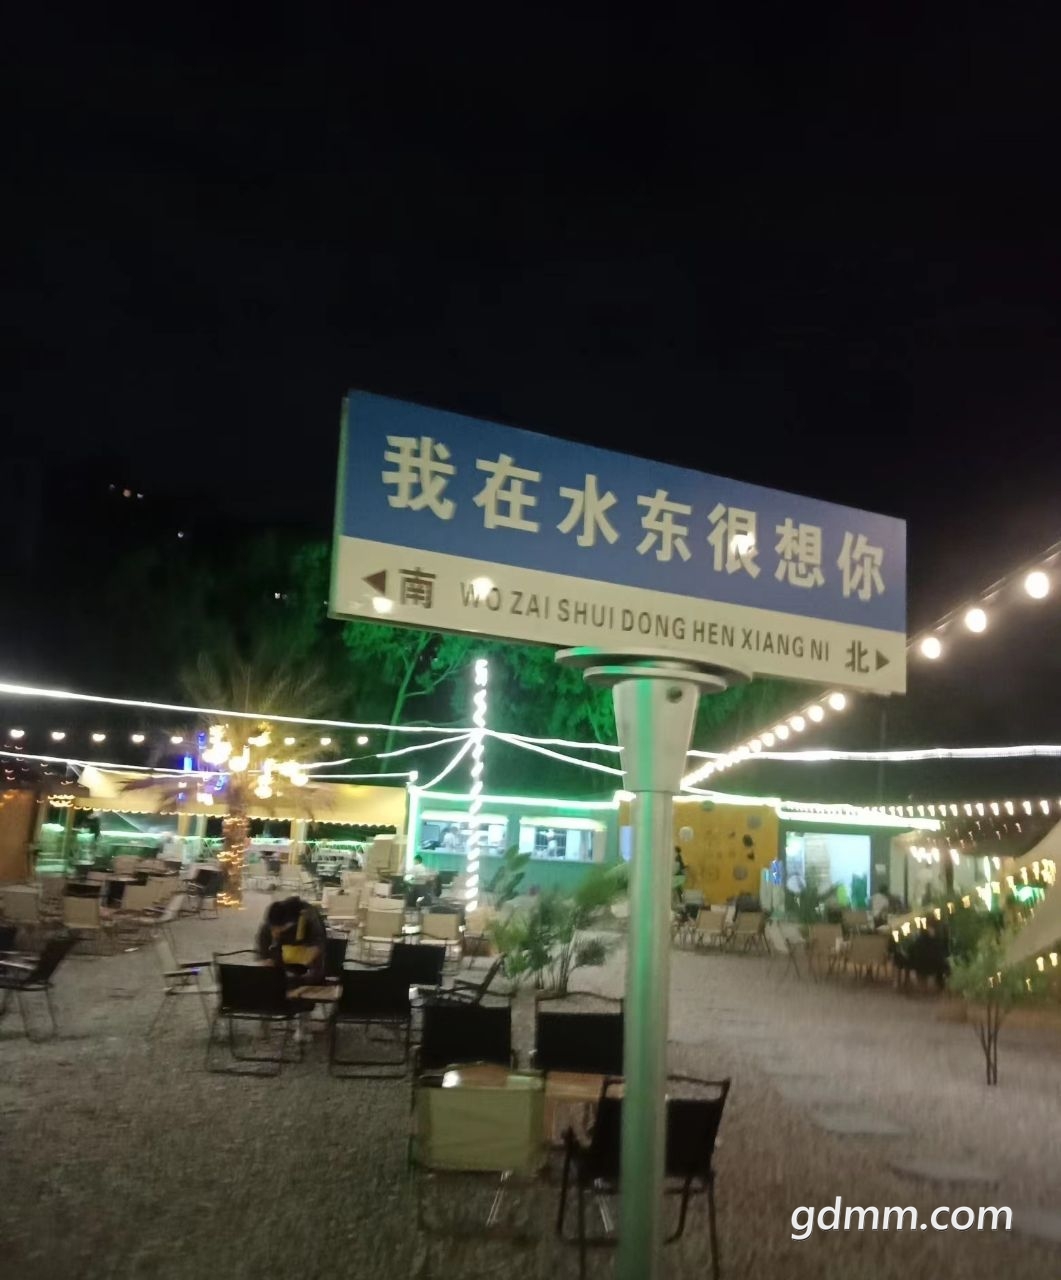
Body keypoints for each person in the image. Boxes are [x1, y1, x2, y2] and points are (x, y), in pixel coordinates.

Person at [255, 896, 327, 987]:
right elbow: (263, 951)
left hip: (306, 961)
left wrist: (308, 974)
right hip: (283, 964)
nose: (275, 932)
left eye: (280, 928)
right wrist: (267, 961)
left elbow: (318, 945)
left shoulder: (310, 916)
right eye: (273, 929)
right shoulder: (272, 920)